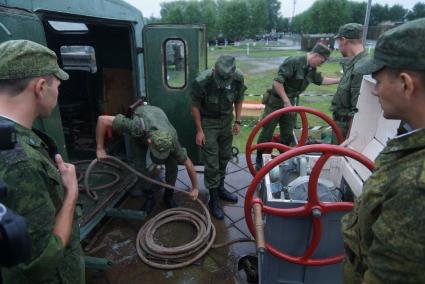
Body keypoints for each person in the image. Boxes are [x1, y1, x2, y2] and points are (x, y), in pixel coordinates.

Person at [342, 18, 425, 283]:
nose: (374, 91)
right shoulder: (410, 148)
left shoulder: (415, 185)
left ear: (406, 84)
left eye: (377, 81)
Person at [0, 40, 84, 283]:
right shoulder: (19, 162)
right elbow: (42, 261)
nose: (58, 92)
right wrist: (71, 193)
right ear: (40, 87)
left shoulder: (14, 137)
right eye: (57, 85)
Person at [96, 105, 199, 213]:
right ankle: (149, 197)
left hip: (158, 115)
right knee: (139, 166)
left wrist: (195, 188)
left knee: (172, 166)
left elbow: (189, 164)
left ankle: (168, 196)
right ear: (149, 142)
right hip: (141, 128)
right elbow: (102, 120)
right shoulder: (135, 126)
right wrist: (100, 148)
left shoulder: (172, 139)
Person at [256, 43, 340, 168]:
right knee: (267, 131)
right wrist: (286, 101)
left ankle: (284, 160)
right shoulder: (293, 62)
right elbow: (278, 82)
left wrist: (339, 80)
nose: (321, 64)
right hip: (277, 101)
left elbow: (321, 80)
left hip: (290, 103)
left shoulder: (310, 68)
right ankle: (259, 160)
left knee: (288, 133)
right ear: (315, 55)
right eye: (321, 61)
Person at [190, 55, 246, 219]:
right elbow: (195, 107)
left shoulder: (237, 78)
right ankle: (213, 198)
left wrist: (237, 121)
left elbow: (239, 99)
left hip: (226, 121)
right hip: (209, 123)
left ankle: (220, 188)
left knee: (224, 156)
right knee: (212, 161)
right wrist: (200, 130)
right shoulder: (202, 82)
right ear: (214, 71)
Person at [330, 23, 367, 143]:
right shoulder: (353, 63)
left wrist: (348, 141)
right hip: (340, 128)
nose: (338, 46)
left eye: (338, 42)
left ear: (344, 40)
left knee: (336, 160)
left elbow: (358, 111)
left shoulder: (361, 67)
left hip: (346, 133)